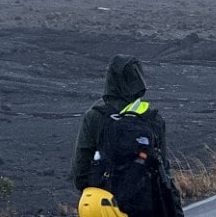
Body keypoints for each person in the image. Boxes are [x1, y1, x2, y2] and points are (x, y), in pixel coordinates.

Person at [71, 54, 185, 217]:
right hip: (145, 205)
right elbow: (164, 171)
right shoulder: (153, 120)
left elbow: (80, 170)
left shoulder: (95, 117)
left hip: (103, 205)